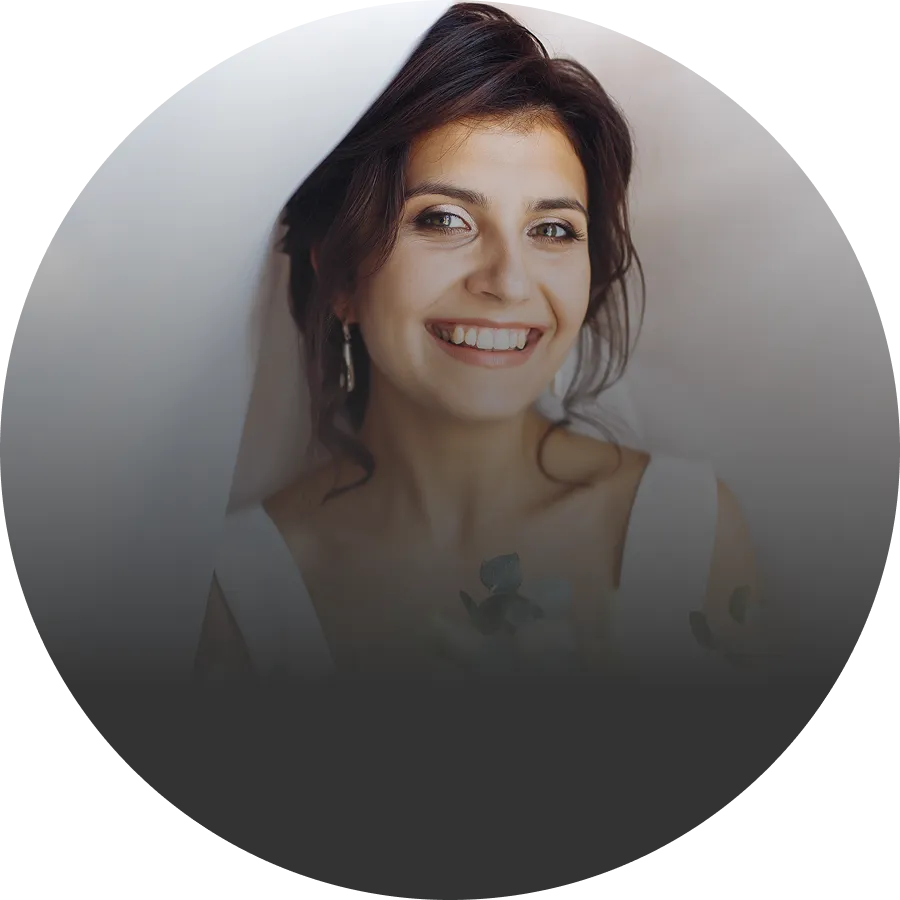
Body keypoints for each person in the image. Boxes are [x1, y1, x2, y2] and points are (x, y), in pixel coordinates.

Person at [194, 2, 765, 683]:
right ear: (340, 276)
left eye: (552, 229)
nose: (509, 282)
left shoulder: (690, 534)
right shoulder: (238, 593)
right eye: (444, 219)